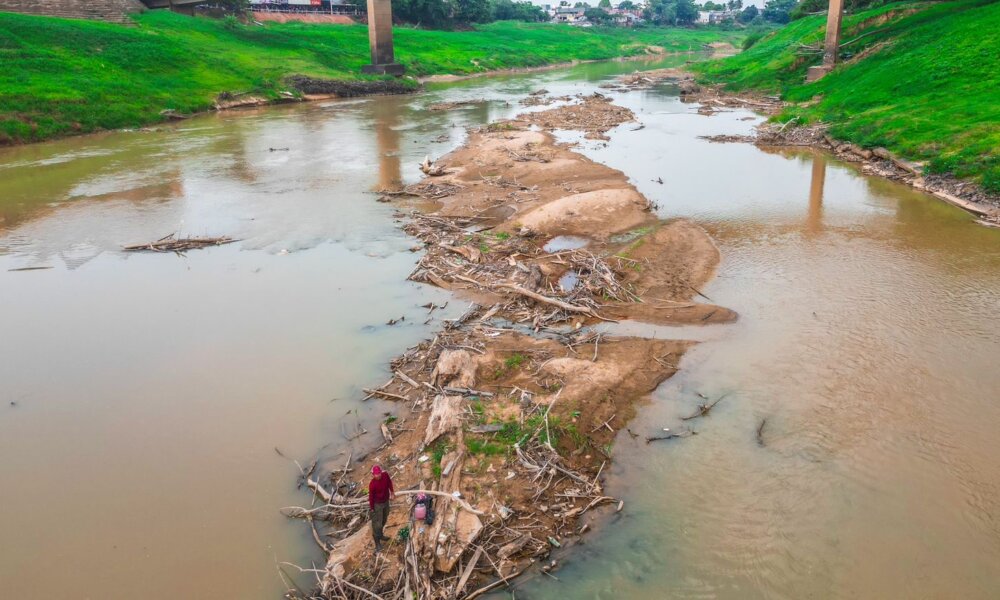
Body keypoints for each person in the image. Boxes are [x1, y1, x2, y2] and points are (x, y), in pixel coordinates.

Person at [368, 465, 395, 552]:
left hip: (386, 501)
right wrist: (372, 508)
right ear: (373, 474)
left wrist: (392, 492)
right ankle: (377, 543)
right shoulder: (372, 484)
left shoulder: (385, 475)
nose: (378, 475)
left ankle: (381, 535)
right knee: (377, 524)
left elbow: (389, 482)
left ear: (381, 472)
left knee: (384, 519)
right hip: (377, 504)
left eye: (379, 473)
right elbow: (371, 497)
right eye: (376, 474)